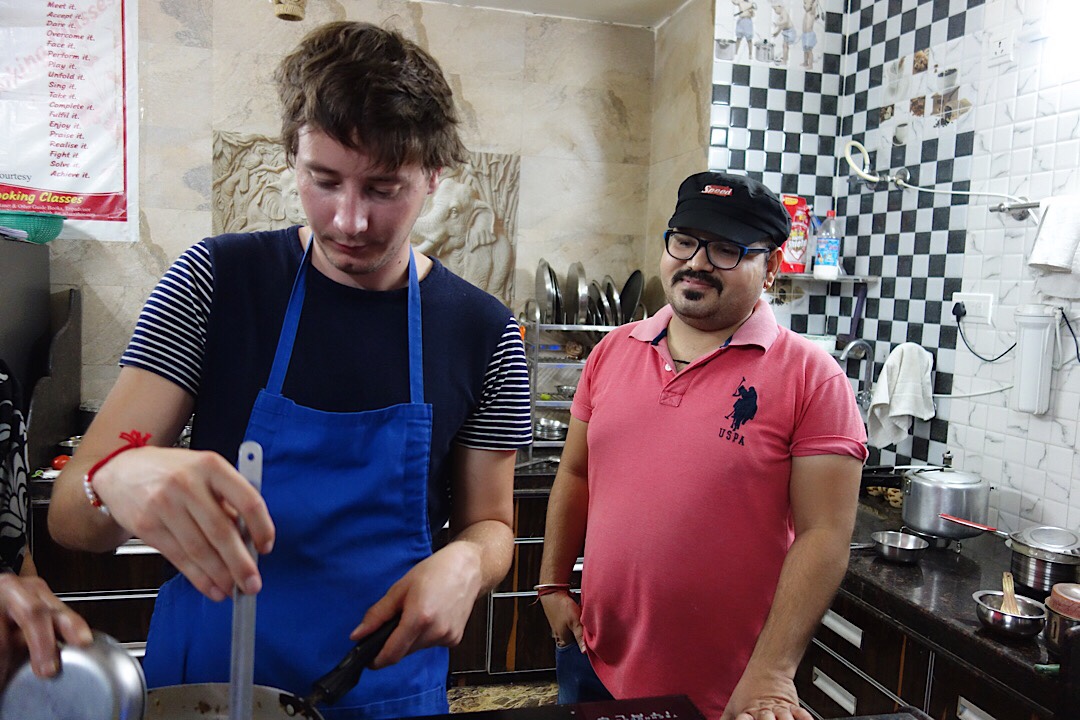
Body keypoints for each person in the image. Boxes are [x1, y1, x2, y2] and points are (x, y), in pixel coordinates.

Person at [48, 21, 531, 720]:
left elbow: (492, 524)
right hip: (210, 690)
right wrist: (115, 479)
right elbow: (71, 516)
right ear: (292, 159)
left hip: (384, 688)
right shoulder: (214, 283)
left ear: (434, 173)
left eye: (384, 188)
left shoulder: (484, 333)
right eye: (324, 180)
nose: (350, 220)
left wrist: (470, 562)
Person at [539, 172, 867, 720]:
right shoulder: (612, 351)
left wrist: (771, 673)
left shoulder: (813, 377)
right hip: (591, 656)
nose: (696, 262)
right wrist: (552, 584)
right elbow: (575, 474)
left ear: (771, 266)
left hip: (729, 687)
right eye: (685, 241)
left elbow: (825, 533)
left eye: (725, 249)